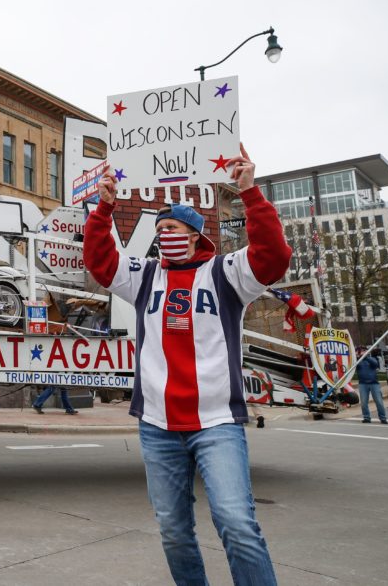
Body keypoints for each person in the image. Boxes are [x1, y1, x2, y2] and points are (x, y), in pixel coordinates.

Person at [84, 145, 289, 586]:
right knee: (175, 532)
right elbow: (101, 263)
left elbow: (273, 258)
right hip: (157, 425)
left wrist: (250, 193)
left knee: (237, 524)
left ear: (196, 234)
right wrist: (103, 209)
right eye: (160, 230)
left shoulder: (225, 272)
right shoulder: (146, 276)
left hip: (216, 422)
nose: (164, 236)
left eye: (173, 228)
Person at [356, 348, 388, 424]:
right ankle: (366, 417)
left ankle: (383, 418)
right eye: (361, 351)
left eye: (364, 350)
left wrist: (365, 357)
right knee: (364, 402)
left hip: (374, 383)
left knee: (379, 402)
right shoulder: (358, 361)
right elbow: (355, 367)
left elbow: (375, 364)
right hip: (362, 384)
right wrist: (358, 357)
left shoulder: (373, 358)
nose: (362, 352)